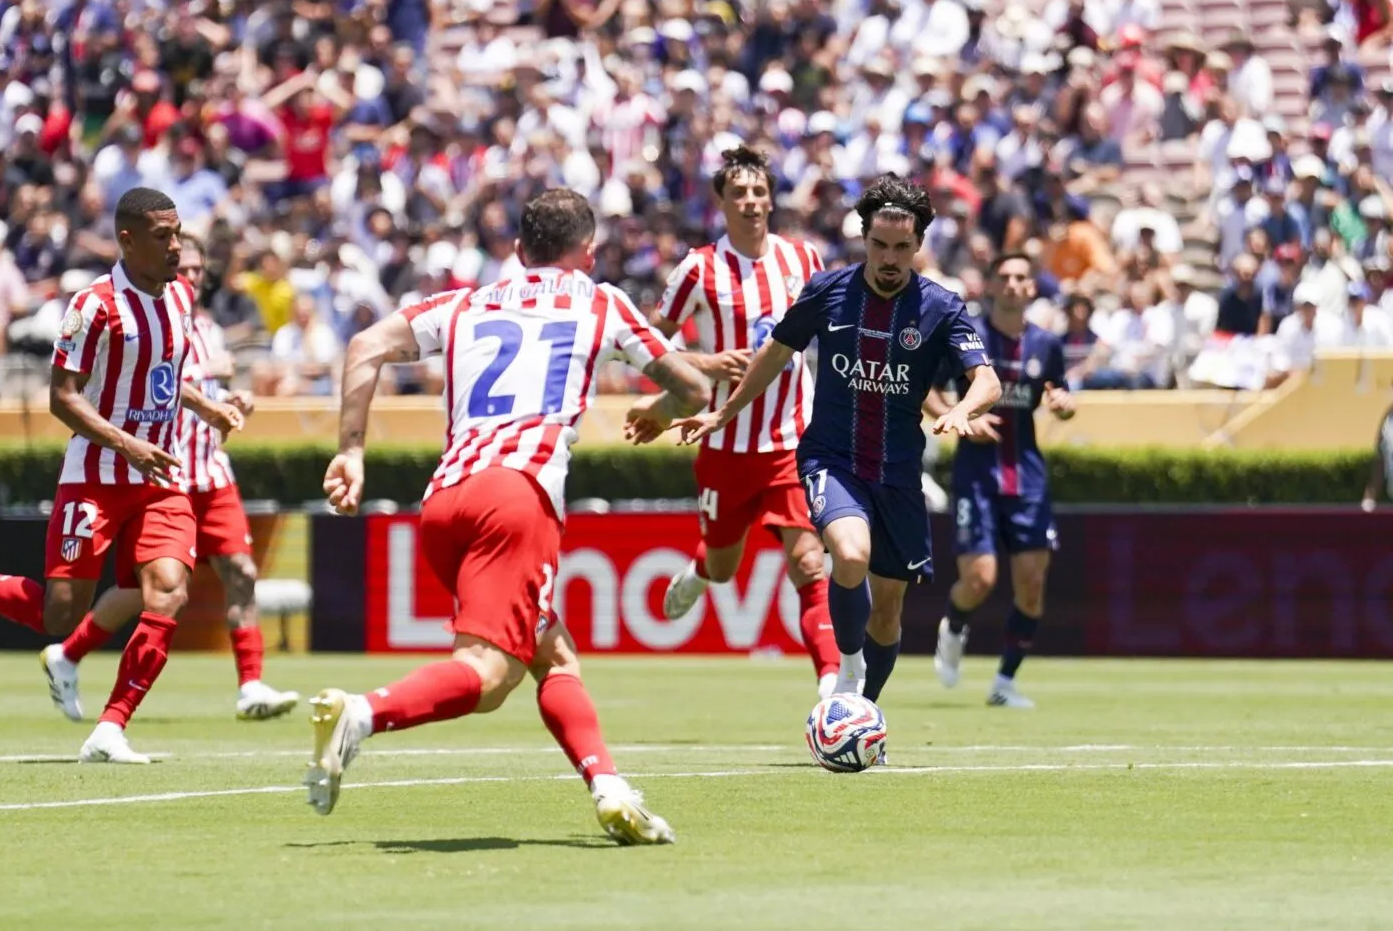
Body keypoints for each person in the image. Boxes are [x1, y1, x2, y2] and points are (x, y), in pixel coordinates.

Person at [308, 189, 710, 844]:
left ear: (520, 251)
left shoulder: (465, 302)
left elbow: (365, 344)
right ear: (589, 252)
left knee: (552, 656)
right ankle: (360, 714)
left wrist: (351, 450)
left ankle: (610, 790)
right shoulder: (600, 301)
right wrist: (659, 411)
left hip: (446, 501)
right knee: (488, 674)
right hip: (518, 499)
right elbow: (692, 386)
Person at [655, 175, 1002, 711]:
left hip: (898, 473)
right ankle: (846, 669)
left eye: (902, 247)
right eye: (880, 245)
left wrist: (961, 409)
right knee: (849, 553)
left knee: (887, 612)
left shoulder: (941, 307)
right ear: (864, 239)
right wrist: (724, 411)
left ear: (918, 244)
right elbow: (774, 354)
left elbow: (988, 380)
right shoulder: (828, 292)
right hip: (831, 458)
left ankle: (863, 712)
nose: (889, 258)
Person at [0, 187, 245, 763]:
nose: (176, 246)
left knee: (169, 591)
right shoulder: (93, 306)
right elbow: (62, 397)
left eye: (177, 233)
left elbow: (161, 378)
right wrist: (127, 444)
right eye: (163, 236)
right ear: (128, 241)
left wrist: (206, 407)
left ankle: (111, 727)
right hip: (96, 478)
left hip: (159, 480)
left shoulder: (180, 298)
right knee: (61, 613)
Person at [37, 236, 299, 724]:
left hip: (209, 471)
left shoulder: (205, 325)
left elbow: (185, 386)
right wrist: (207, 375)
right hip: (154, 470)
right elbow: (143, 380)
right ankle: (69, 653)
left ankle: (250, 685)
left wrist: (229, 401)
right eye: (186, 268)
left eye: (199, 269)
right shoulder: (133, 312)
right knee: (138, 591)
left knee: (239, 573)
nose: (191, 276)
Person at [630, 146, 840, 698]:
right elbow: (647, 345)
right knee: (724, 566)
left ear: (771, 200)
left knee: (809, 562)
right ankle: (701, 573)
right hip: (724, 444)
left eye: (758, 191)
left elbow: (834, 329)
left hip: (793, 442)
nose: (750, 201)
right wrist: (707, 363)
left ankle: (832, 688)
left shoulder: (803, 260)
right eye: (739, 193)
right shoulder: (698, 268)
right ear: (721, 202)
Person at [926, 253, 1075, 709]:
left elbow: (1058, 393)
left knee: (1032, 585)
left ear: (1032, 288)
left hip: (1027, 478)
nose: (1012, 284)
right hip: (976, 474)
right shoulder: (966, 336)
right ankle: (953, 626)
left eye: (1021, 277)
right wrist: (961, 417)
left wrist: (1063, 405)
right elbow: (927, 389)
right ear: (990, 285)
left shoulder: (1046, 344)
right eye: (1004, 277)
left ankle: (1005, 683)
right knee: (980, 579)